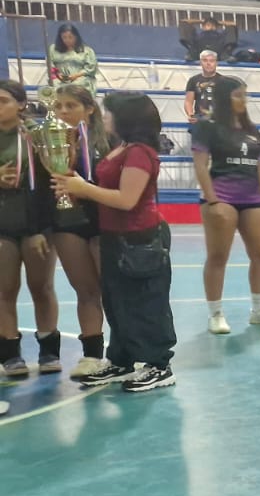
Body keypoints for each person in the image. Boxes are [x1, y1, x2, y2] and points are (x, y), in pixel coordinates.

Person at [51, 92, 176, 393]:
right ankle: (122, 358)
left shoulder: (140, 153)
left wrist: (83, 188)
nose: (105, 118)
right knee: (117, 302)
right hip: (114, 237)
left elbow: (127, 199)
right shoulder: (122, 148)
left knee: (145, 303)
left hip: (139, 238)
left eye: (110, 113)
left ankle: (159, 365)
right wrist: (80, 187)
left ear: (126, 118)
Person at [193, 77, 260, 333]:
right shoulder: (208, 127)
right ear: (224, 98)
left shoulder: (251, 128)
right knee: (218, 257)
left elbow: (258, 166)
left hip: (252, 199)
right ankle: (215, 314)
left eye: (245, 95)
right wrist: (212, 199)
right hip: (221, 198)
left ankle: (259, 310)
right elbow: (200, 165)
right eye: (237, 95)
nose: (243, 100)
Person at [48, 85, 111, 377]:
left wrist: (87, 188)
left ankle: (126, 350)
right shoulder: (46, 141)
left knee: (113, 290)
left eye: (70, 105)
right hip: (67, 222)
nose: (63, 111)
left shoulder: (108, 141)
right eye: (59, 106)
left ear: (89, 109)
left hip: (104, 221)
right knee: (85, 290)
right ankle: (91, 356)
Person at [0, 80, 61, 376]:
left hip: (37, 225)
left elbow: (49, 184)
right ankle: (10, 354)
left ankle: (49, 350)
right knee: (4, 290)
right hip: (2, 227)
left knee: (42, 287)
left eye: (3, 101)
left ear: (21, 104)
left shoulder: (38, 136)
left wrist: (39, 226)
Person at [47, 24, 99, 96]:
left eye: (70, 37)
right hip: (60, 78)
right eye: (64, 37)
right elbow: (50, 65)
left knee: (78, 86)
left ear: (76, 37)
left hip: (80, 78)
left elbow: (91, 68)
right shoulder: (53, 49)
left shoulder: (87, 50)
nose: (67, 40)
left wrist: (76, 75)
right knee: (55, 85)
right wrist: (58, 75)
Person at [184, 50, 224, 123]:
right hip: (199, 120)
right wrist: (190, 114)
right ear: (200, 63)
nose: (208, 63)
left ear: (216, 63)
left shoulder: (224, 81)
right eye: (205, 60)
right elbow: (188, 101)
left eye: (212, 61)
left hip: (218, 122)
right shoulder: (193, 80)